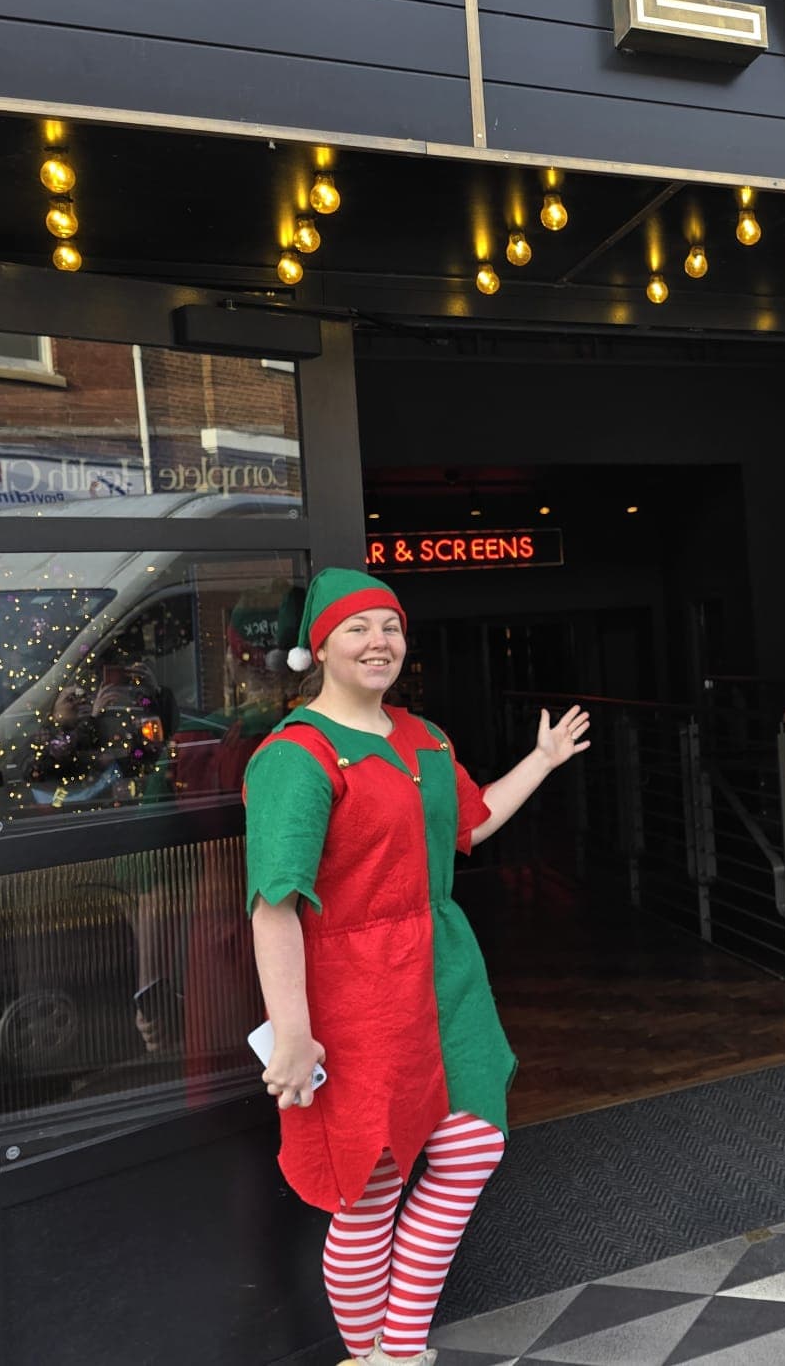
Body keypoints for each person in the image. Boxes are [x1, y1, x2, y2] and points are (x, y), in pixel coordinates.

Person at [245, 567, 590, 1366]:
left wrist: (540, 761)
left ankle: (397, 1352)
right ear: (319, 647)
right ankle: (383, 1357)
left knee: (470, 1146)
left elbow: (474, 822)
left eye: (391, 627)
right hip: (355, 989)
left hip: (444, 970)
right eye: (358, 628)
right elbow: (275, 905)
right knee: (369, 1188)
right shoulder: (296, 757)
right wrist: (294, 1037)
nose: (379, 642)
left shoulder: (425, 737)